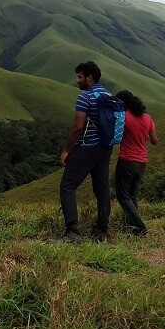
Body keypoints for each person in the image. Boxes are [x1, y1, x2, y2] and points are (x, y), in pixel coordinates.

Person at [54, 61, 114, 244]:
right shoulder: (108, 95)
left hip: (87, 148)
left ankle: (72, 233)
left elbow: (78, 127)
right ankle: (101, 230)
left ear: (89, 78)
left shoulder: (85, 97)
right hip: (105, 148)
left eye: (80, 77)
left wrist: (66, 150)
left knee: (67, 187)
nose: (77, 80)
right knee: (102, 189)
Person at [114, 90, 158, 236]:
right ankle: (132, 227)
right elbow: (154, 141)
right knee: (132, 195)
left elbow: (116, 136)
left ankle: (139, 226)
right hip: (142, 162)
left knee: (122, 196)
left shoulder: (124, 117)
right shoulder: (147, 117)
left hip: (127, 160)